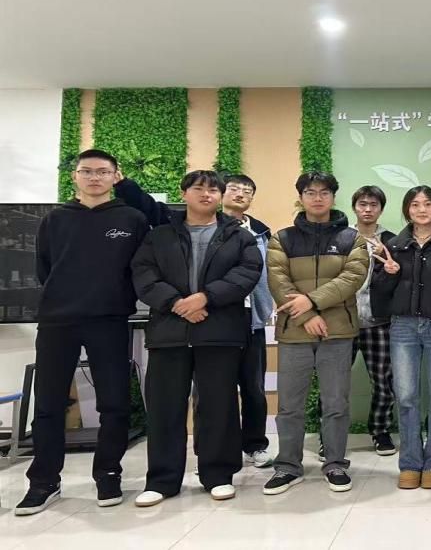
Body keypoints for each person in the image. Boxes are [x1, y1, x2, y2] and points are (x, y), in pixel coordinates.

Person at [15, 150, 148, 516]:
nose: (94, 177)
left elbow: (138, 269)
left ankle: (108, 474)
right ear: (74, 176)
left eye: (102, 171)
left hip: (109, 319)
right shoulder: (55, 219)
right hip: (58, 320)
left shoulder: (131, 218)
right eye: (86, 171)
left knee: (114, 402)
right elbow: (45, 267)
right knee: (48, 404)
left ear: (115, 176)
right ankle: (44, 482)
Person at [115, 170, 275, 467]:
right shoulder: (166, 230)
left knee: (245, 390)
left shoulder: (256, 233)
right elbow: (145, 271)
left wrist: (207, 298)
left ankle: (250, 447)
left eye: (247, 191)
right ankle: (196, 456)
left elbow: (250, 273)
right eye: (234, 188)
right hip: (180, 323)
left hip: (240, 320)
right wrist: (179, 303)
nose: (240, 194)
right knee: (192, 397)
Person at [262, 172, 369, 495]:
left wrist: (311, 301)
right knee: (289, 405)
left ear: (333, 197)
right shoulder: (282, 238)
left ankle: (335, 463)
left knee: (336, 403)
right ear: (301, 197)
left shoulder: (352, 239)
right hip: (295, 330)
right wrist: (307, 314)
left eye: (324, 192)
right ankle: (287, 466)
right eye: (311, 192)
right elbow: (278, 280)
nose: (318, 198)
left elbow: (352, 278)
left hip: (338, 332)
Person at [370, 186, 431, 489]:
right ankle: (411, 463)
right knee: (406, 398)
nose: (422, 209)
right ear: (407, 210)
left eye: (427, 204)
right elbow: (380, 293)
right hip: (403, 327)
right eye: (415, 204)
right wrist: (388, 272)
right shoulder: (395, 244)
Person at [349, 185, 397, 456]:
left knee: (384, 381)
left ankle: (380, 431)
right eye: (363, 204)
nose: (367, 210)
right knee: (335, 383)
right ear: (355, 207)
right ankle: (328, 436)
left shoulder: (392, 240)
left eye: (373, 205)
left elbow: (399, 279)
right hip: (343, 320)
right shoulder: (342, 237)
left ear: (381, 209)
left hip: (379, 321)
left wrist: (391, 267)